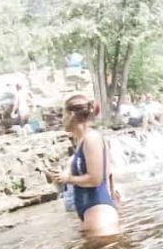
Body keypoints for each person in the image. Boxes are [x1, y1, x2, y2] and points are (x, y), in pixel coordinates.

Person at [50, 94, 121, 236]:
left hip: (99, 209)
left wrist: (67, 179)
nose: (62, 120)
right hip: (90, 210)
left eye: (62, 115)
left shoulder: (92, 138)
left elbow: (95, 179)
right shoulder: (82, 141)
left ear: (71, 114)